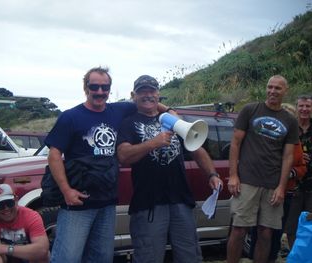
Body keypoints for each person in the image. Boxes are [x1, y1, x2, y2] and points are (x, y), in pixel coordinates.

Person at [45, 67, 171, 263]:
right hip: (78, 204)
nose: (100, 91)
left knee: (101, 258)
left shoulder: (118, 110)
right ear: (86, 88)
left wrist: (171, 113)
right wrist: (66, 190)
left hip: (107, 203)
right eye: (94, 86)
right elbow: (54, 155)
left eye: (105, 87)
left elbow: (148, 102)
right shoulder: (70, 116)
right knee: (67, 258)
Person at [116, 75, 222, 263]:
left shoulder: (173, 119)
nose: (148, 95)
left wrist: (212, 174)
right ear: (134, 96)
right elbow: (123, 155)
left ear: (158, 94)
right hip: (148, 204)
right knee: (149, 257)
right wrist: (153, 143)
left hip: (180, 200)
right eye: (142, 92)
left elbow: (197, 149)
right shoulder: (128, 122)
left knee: (190, 256)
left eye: (152, 91)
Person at [226, 75, 299, 263]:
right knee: (239, 229)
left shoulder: (290, 121)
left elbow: (288, 156)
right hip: (247, 181)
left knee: (266, 232)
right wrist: (233, 175)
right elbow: (235, 143)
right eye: (270, 87)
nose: (273, 91)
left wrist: (282, 187)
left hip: (272, 184)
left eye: (278, 88)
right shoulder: (250, 110)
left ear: (285, 91)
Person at [248, 103, 306, 262]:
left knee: (276, 233)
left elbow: (302, 167)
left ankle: (271, 258)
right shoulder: (263, 138)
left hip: (285, 193)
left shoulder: (295, 143)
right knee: (259, 231)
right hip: (263, 188)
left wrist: (289, 173)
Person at [0, 184, 49, 263]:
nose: (6, 208)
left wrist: (5, 248)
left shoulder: (31, 216)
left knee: (43, 256)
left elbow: (42, 250)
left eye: (9, 203)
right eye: (0, 206)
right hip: (4, 257)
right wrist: (1, 250)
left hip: (26, 257)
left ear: (16, 199)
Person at [284, 94, 312, 249]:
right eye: (301, 106)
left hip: (311, 184)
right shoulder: (290, 128)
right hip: (293, 185)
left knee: (310, 225)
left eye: (308, 106)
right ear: (297, 107)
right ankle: (295, 255)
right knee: (291, 225)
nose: (304, 109)